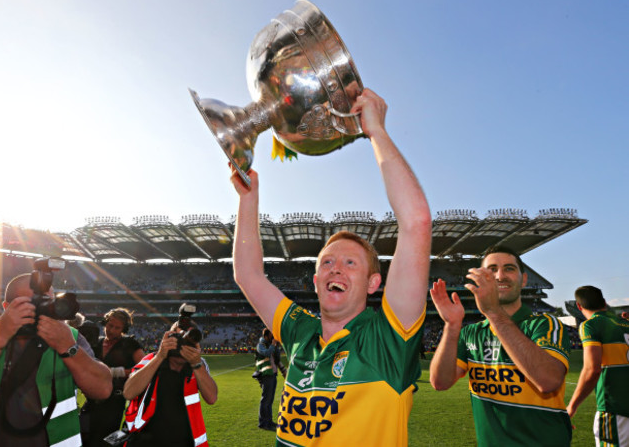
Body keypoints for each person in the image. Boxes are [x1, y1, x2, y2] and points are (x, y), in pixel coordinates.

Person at [231, 88, 431, 446]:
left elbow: (415, 222)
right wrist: (249, 199)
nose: (335, 269)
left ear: (373, 283)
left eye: (350, 263)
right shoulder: (299, 332)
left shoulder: (387, 339)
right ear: (315, 279)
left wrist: (377, 134)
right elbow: (248, 276)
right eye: (327, 263)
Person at [429, 246, 572, 446]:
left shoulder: (544, 324)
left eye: (509, 269)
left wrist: (494, 312)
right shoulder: (471, 333)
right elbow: (440, 383)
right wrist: (452, 326)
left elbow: (548, 381)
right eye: (492, 270)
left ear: (524, 279)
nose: (500, 276)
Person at [0, 273, 112, 446]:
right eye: (30, 302)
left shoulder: (69, 336)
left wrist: (68, 348)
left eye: (47, 301)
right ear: (7, 307)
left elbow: (102, 389)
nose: (41, 308)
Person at [122, 320, 217, 447]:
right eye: (177, 338)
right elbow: (129, 392)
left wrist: (196, 364)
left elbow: (211, 398)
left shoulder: (198, 365)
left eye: (187, 341)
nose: (181, 345)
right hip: (146, 439)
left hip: (184, 439)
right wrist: (160, 356)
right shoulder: (151, 359)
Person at [567, 285, 629, 446]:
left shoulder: (591, 324)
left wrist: (572, 406)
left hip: (615, 408)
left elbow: (592, 369)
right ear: (604, 302)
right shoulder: (625, 322)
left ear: (579, 306)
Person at [83, 308, 144, 446]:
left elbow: (144, 368)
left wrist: (118, 372)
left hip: (114, 402)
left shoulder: (130, 344)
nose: (112, 330)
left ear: (124, 329)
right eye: (110, 325)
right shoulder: (95, 344)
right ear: (105, 322)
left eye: (117, 328)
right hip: (91, 401)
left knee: (106, 442)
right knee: (84, 439)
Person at [254, 328, 286, 431]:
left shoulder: (271, 346)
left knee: (270, 400)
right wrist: (273, 345)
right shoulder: (260, 345)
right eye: (271, 336)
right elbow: (267, 353)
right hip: (266, 375)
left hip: (273, 374)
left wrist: (276, 346)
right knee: (265, 400)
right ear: (266, 336)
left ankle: (269, 421)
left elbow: (277, 358)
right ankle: (263, 422)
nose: (273, 338)